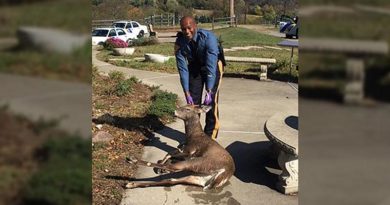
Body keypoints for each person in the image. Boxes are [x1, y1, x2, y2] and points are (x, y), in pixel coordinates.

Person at [174, 16, 225, 139]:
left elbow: (211, 66)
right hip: (195, 66)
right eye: (183, 29)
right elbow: (183, 69)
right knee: (192, 103)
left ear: (195, 26)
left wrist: (209, 89)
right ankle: (194, 136)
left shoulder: (209, 38)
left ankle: (210, 137)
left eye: (189, 28)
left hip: (213, 65)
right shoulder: (179, 43)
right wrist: (186, 92)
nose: (186, 32)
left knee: (211, 101)